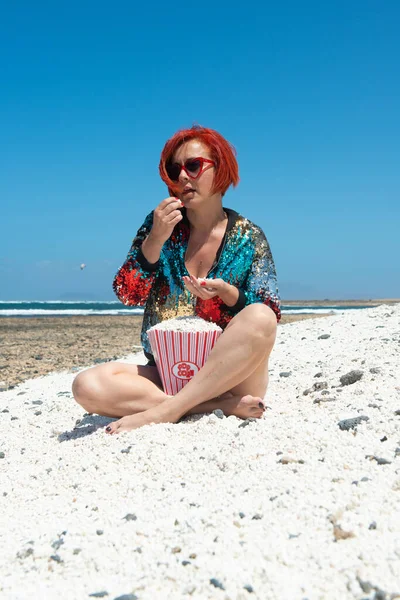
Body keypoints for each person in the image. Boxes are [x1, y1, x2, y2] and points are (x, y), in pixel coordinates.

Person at [72, 125, 281, 434]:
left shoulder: (248, 236)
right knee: (85, 385)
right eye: (175, 169)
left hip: (232, 375)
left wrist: (229, 294)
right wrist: (154, 241)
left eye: (194, 166)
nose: (183, 176)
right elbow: (128, 293)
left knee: (261, 317)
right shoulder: (159, 225)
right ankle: (206, 406)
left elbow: (269, 313)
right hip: (168, 372)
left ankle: (168, 409)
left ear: (220, 168)